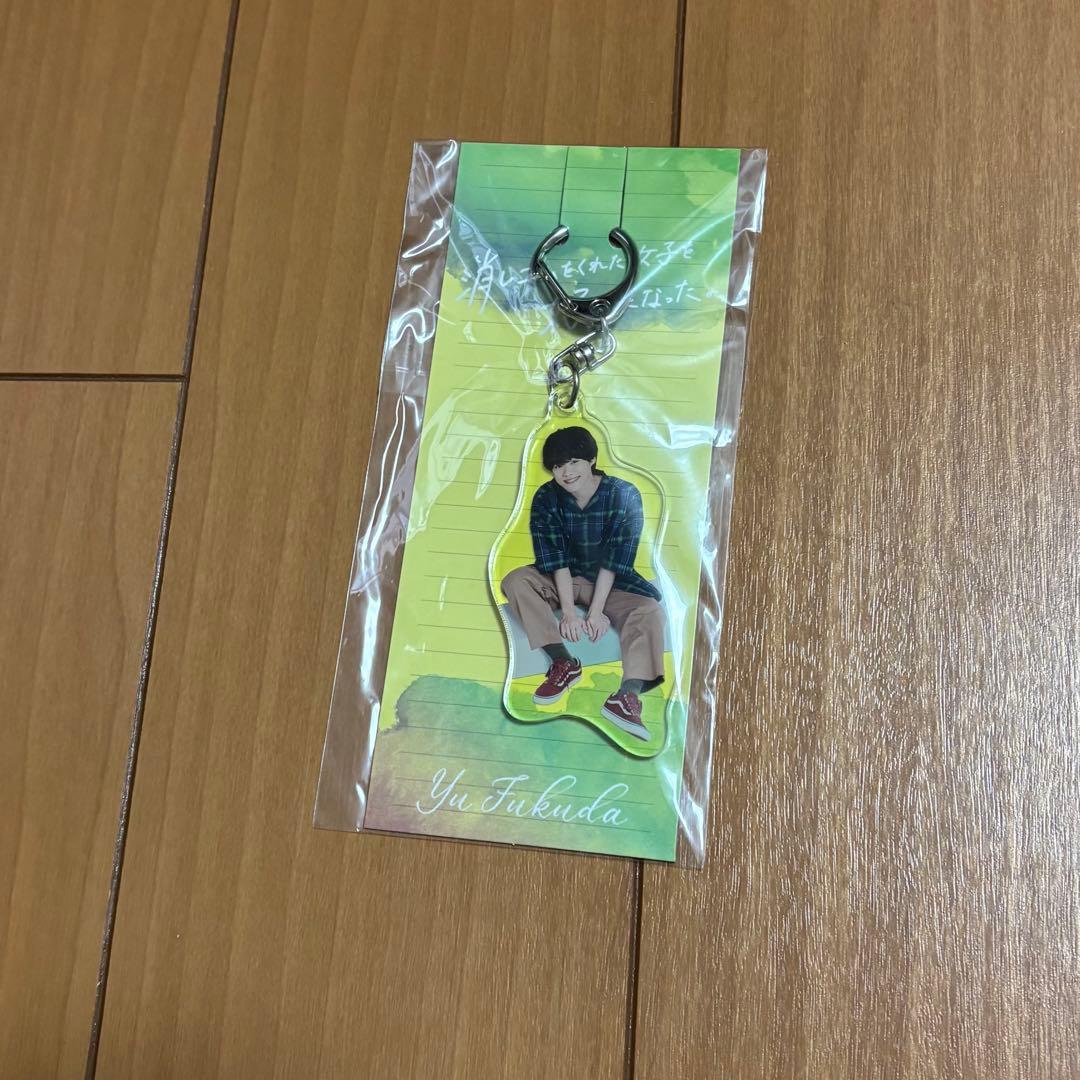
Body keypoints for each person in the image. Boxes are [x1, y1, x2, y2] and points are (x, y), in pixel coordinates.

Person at [500, 426, 665, 741]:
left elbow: (615, 559)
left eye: (573, 461)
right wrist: (569, 613)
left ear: (591, 460)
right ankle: (563, 662)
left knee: (649, 610)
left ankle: (626, 697)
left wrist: (596, 611)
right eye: (558, 465)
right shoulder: (546, 497)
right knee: (516, 580)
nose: (566, 472)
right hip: (561, 577)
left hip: (610, 582)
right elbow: (556, 559)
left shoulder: (624, 494)